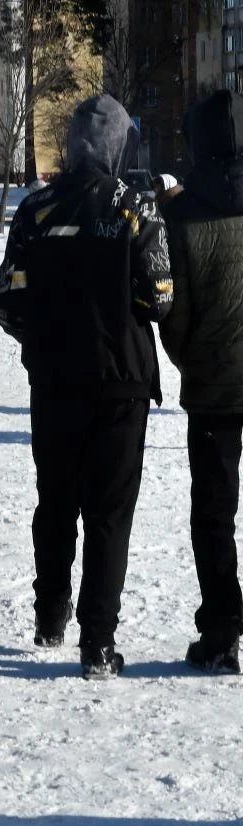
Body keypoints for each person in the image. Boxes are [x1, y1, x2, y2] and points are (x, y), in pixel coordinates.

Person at [0, 93, 173, 679]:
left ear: (71, 144)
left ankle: (50, 615)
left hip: (54, 378)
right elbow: (162, 298)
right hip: (121, 379)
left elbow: (6, 297)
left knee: (56, 500)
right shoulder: (136, 207)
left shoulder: (35, 208)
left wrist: (39, 336)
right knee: (109, 512)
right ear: (121, 144)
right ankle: (98, 642)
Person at [160, 90, 243, 673]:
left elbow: (174, 311)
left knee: (213, 512)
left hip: (214, 385)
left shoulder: (183, 212)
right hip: (214, 377)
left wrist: (191, 359)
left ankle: (221, 630)